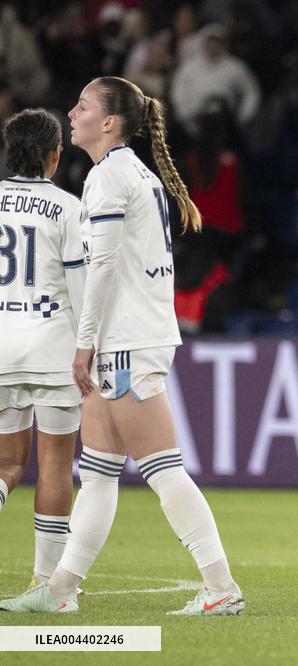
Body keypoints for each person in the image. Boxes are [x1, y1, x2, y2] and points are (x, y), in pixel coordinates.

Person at [0, 77, 243, 615]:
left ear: (109, 123)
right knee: (100, 474)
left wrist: (84, 345)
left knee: (162, 468)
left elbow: (104, 266)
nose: (73, 110)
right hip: (130, 338)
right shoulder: (128, 172)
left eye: (83, 105)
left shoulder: (108, 177)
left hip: (125, 344)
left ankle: (221, 586)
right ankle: (59, 589)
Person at [0, 109, 85, 589]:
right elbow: (82, 288)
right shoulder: (68, 208)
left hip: (1, 349)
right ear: (55, 156)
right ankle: (45, 583)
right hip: (53, 349)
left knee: (7, 464)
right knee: (54, 463)